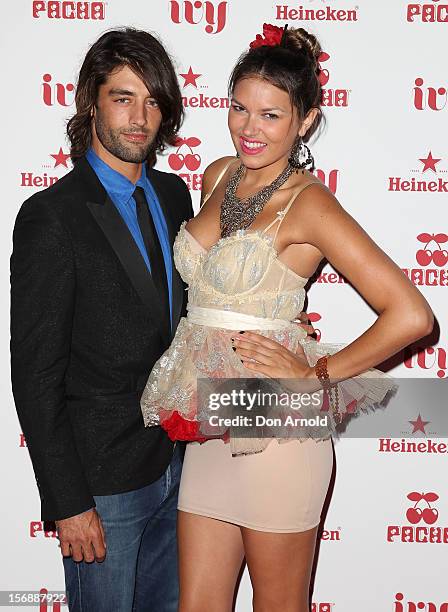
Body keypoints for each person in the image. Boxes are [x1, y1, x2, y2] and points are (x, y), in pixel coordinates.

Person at [140, 24, 434, 611]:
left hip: (276, 428)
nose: (250, 129)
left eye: (271, 115)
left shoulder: (311, 204)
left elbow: (410, 314)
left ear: (304, 120)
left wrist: (315, 375)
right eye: (239, 108)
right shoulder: (218, 175)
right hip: (212, 421)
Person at [10, 28, 192, 612]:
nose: (140, 117)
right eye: (123, 97)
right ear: (91, 101)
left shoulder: (173, 196)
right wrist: (68, 501)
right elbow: (34, 374)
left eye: (153, 100)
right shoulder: (51, 217)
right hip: (102, 485)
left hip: (178, 462)